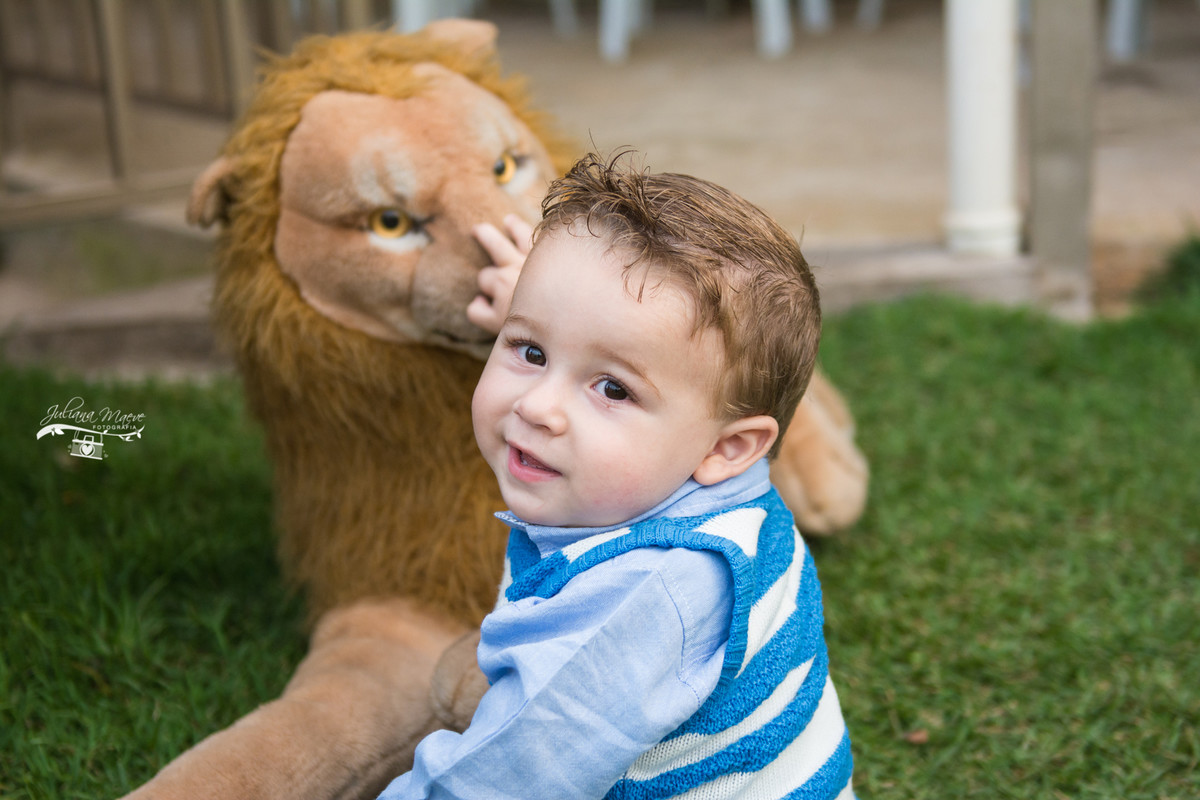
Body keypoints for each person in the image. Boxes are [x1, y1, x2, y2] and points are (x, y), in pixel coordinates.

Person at [377, 152, 855, 800]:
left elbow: (500, 782)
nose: (539, 406)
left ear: (728, 447)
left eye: (612, 388)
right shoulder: (719, 502)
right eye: (530, 350)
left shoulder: (644, 595)